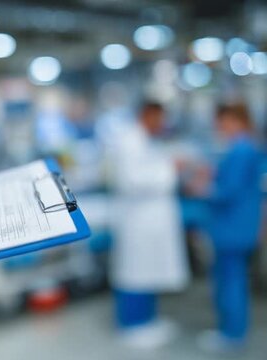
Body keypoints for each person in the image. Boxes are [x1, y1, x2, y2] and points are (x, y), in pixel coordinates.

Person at [108, 102, 189, 349]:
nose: (161, 125)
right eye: (158, 119)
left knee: (149, 269)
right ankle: (132, 326)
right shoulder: (129, 140)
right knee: (136, 271)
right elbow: (132, 180)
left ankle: (147, 321)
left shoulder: (144, 138)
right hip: (138, 220)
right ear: (147, 115)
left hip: (150, 220)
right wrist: (170, 169)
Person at [189, 104, 262, 354]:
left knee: (230, 281)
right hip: (238, 226)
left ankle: (231, 333)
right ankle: (233, 330)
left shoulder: (241, 150)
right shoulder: (244, 148)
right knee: (233, 279)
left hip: (232, 227)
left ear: (237, 120)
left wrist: (202, 187)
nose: (221, 128)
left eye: (224, 122)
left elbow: (227, 191)